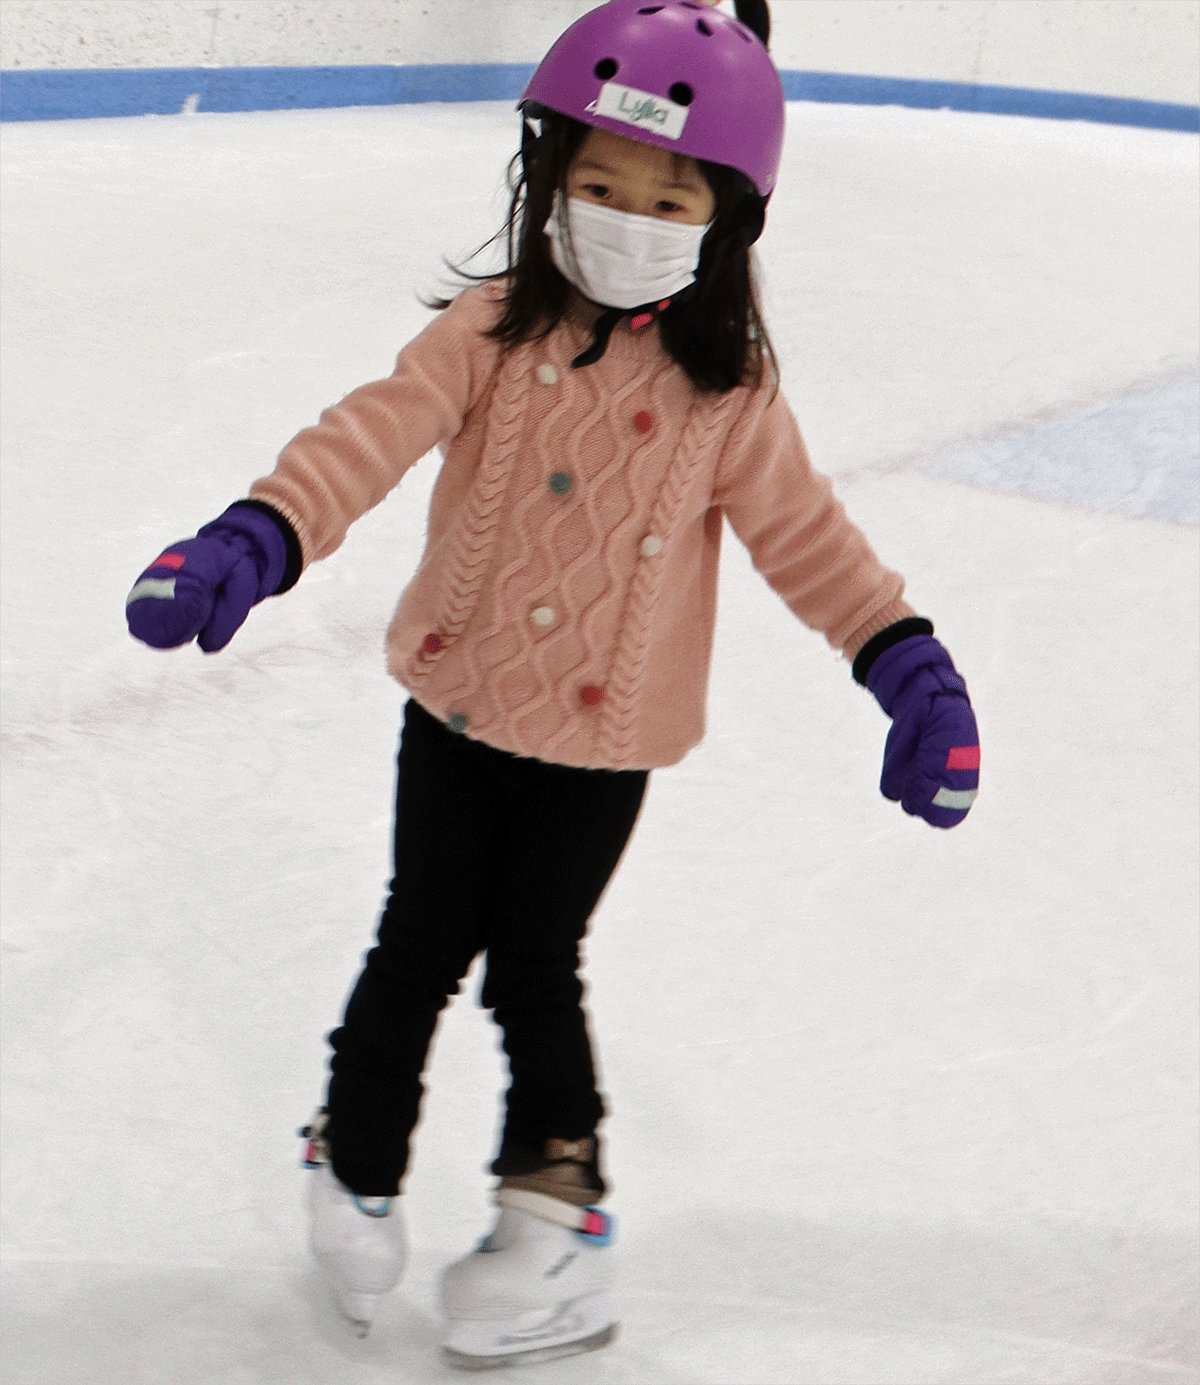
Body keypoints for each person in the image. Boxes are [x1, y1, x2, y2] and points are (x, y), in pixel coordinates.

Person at [125, 0, 980, 1369]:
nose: (625, 216)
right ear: (548, 178)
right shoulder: (490, 332)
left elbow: (812, 541)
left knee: (533, 964)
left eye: (664, 196)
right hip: (458, 705)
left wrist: (908, 663)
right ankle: (352, 1161)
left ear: (723, 222)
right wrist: (262, 529)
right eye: (596, 183)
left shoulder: (730, 395)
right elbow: (369, 432)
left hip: (603, 741)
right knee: (416, 938)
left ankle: (555, 1212)